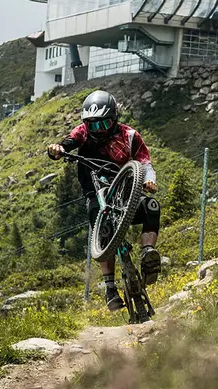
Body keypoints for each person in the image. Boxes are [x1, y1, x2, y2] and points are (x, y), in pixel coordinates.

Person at [48, 90, 161, 311]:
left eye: (103, 124)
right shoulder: (83, 132)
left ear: (115, 118)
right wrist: (58, 149)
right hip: (94, 192)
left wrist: (149, 181)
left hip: (125, 194)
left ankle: (148, 253)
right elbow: (68, 143)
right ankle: (110, 287)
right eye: (93, 125)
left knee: (152, 206)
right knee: (100, 227)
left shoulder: (129, 136)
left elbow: (145, 163)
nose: (97, 130)